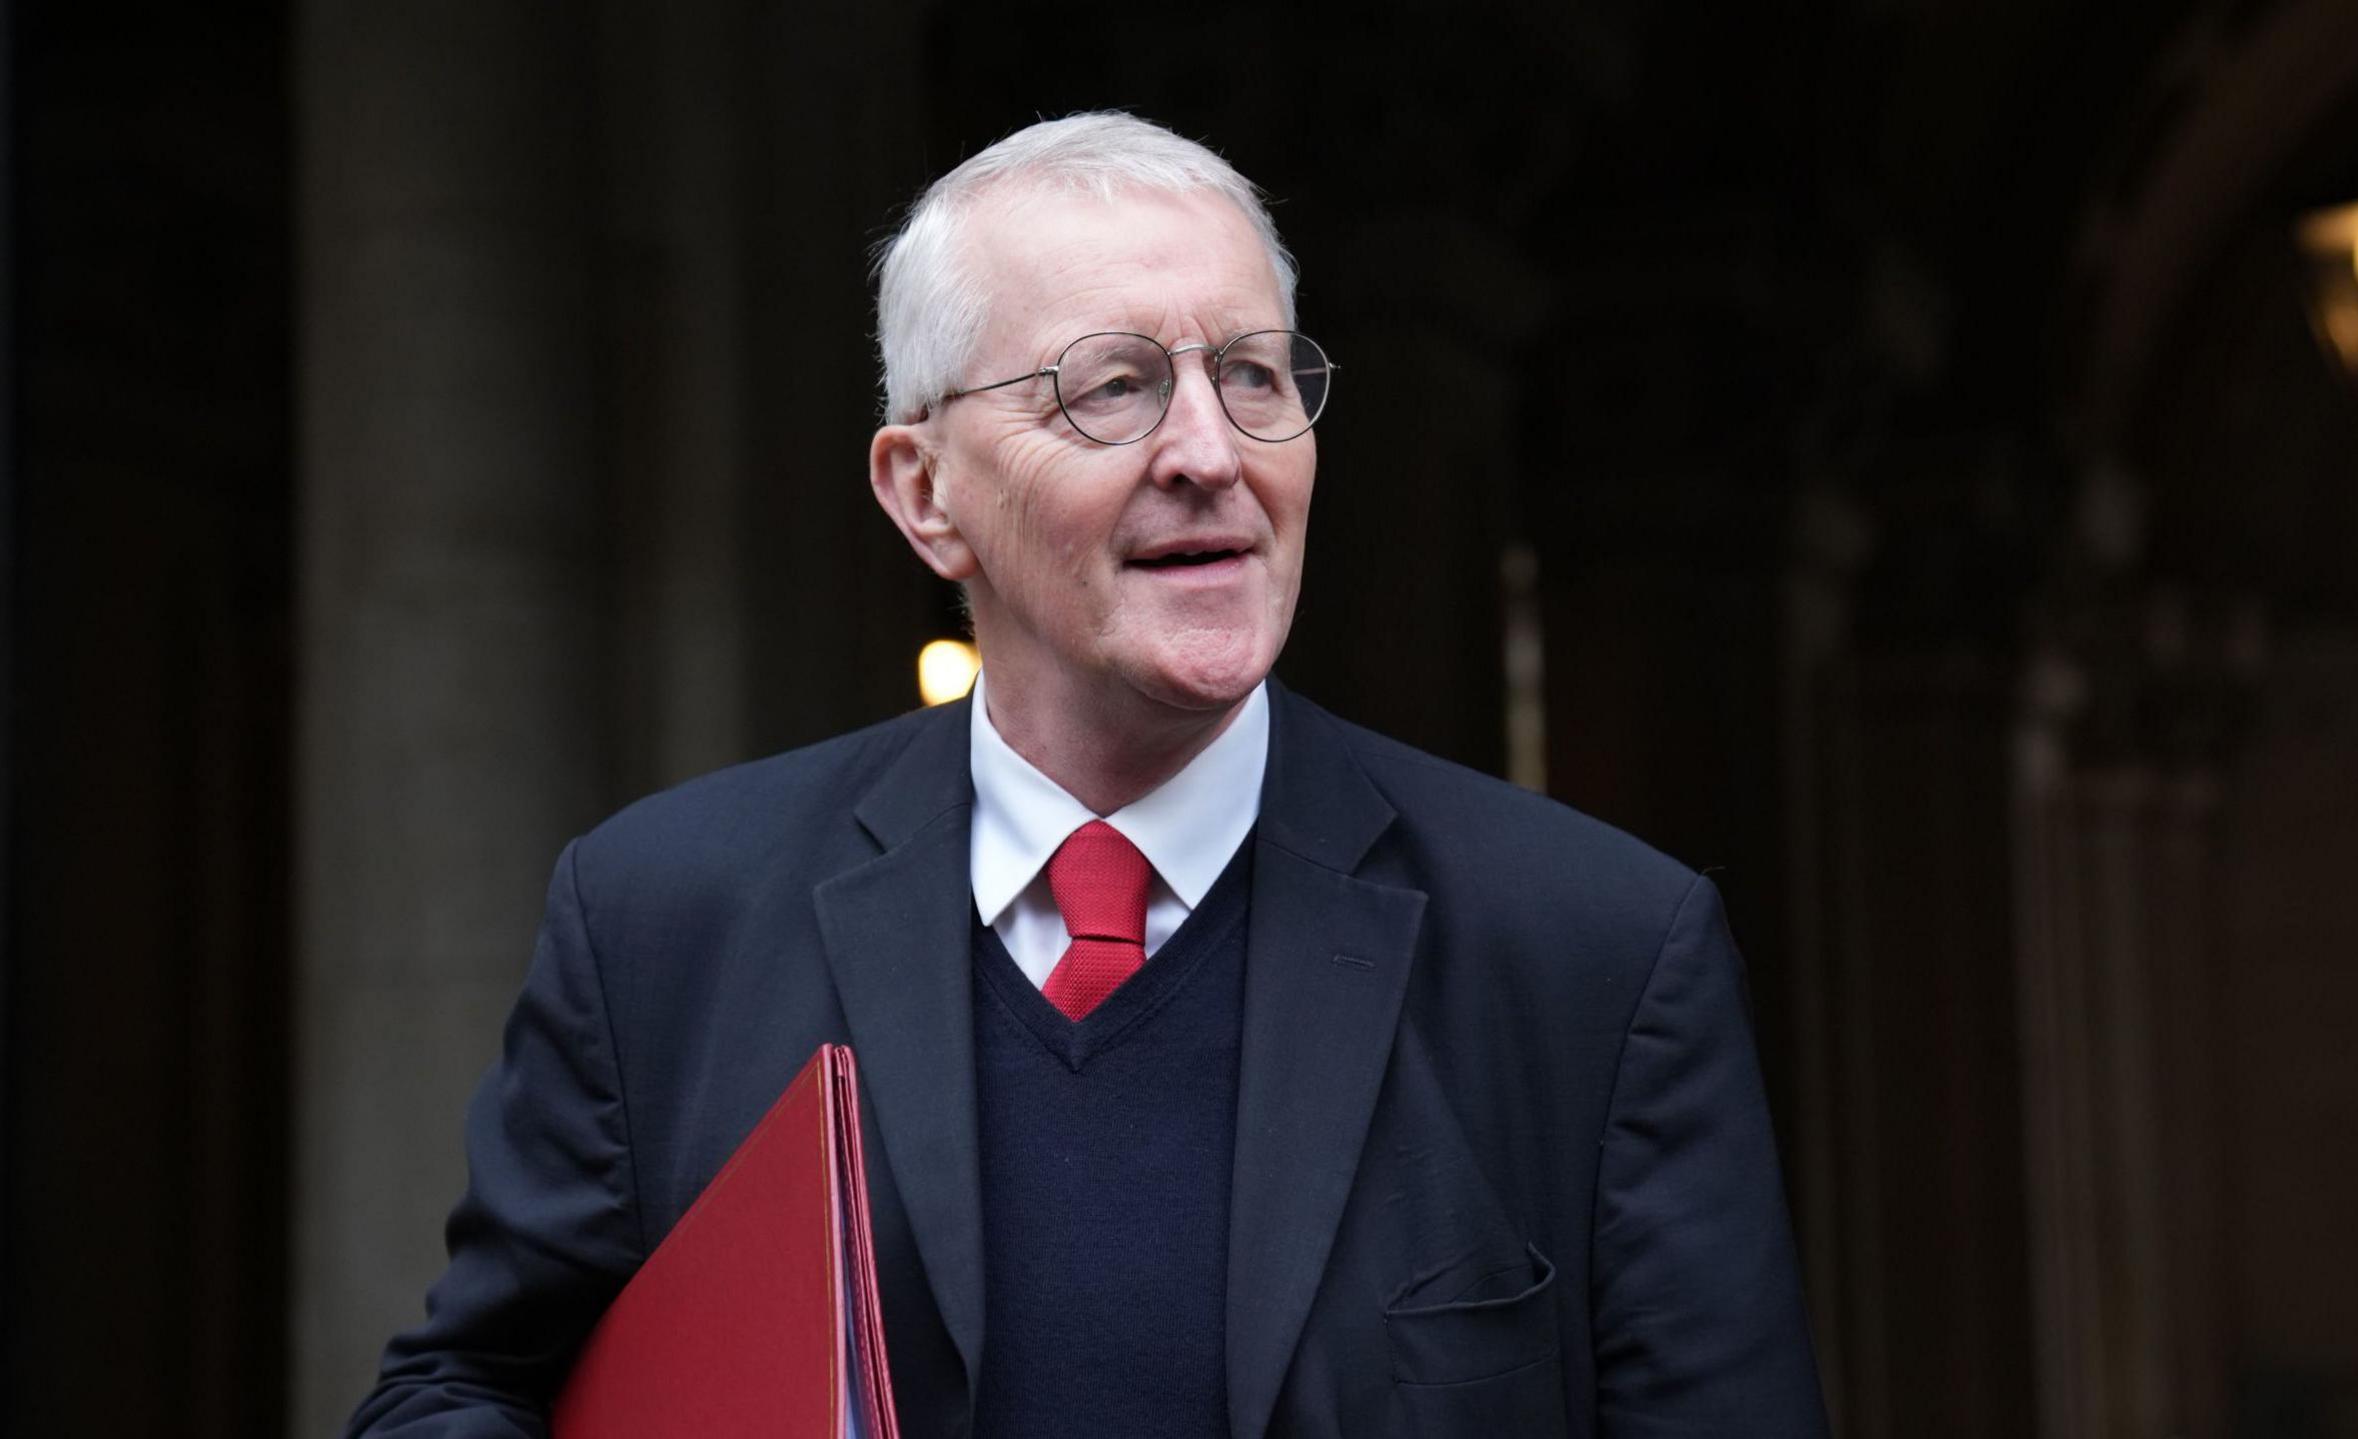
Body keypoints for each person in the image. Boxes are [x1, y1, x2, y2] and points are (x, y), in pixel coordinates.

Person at [347, 111, 1827, 1439]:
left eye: (1252, 374)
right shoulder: (664, 919)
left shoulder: (1595, 955)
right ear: (926, 494)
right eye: (1110, 388)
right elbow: (461, 1393)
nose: (1209, 451)